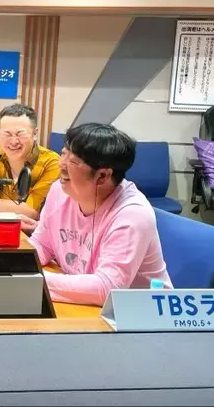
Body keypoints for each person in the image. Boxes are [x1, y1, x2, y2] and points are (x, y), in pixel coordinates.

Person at [22, 123, 172, 306]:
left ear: (102, 176)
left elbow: (107, 288)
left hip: (139, 314)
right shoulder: (59, 192)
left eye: (72, 161)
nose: (61, 165)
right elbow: (43, 244)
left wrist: (34, 280)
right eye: (63, 153)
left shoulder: (132, 214)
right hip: (86, 307)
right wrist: (11, 265)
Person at [0, 104, 60, 220]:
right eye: (7, 134)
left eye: (20, 134)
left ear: (35, 134)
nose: (14, 141)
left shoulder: (52, 163)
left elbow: (32, 212)